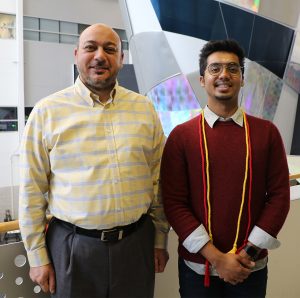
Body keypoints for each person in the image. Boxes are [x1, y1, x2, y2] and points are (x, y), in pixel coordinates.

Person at [19, 23, 169, 298]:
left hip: (136, 246)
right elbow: (31, 189)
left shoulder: (144, 109)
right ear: (76, 54)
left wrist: (160, 238)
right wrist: (37, 256)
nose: (100, 55)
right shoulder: (47, 112)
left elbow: (159, 179)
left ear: (121, 60)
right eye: (91, 47)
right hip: (73, 249)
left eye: (110, 49)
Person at [161, 39, 290, 298]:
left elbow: (279, 198)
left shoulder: (266, 133)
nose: (224, 75)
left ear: (242, 79)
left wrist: (246, 255)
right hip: (198, 269)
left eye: (233, 69)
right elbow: (174, 202)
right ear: (202, 79)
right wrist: (217, 258)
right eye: (215, 68)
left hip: (249, 268)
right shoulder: (181, 136)